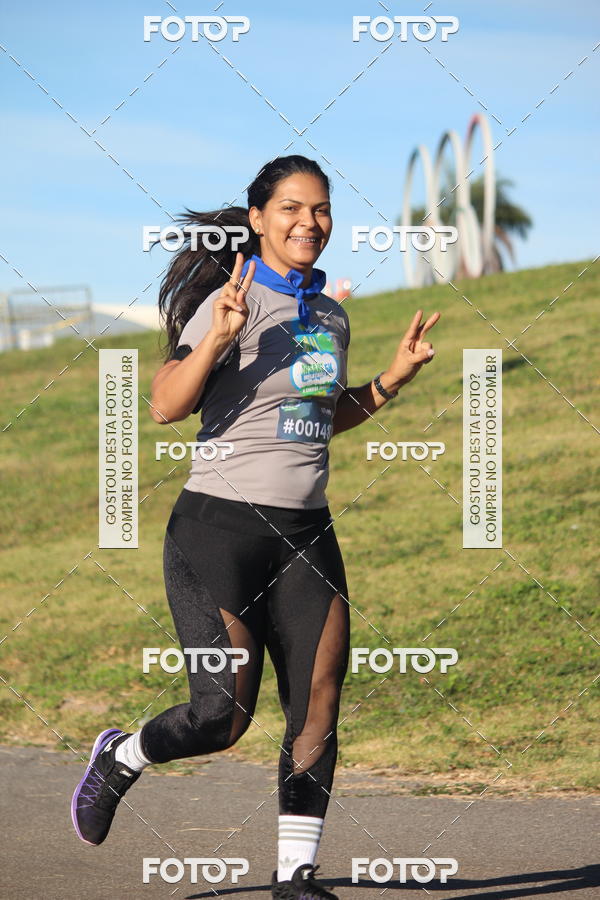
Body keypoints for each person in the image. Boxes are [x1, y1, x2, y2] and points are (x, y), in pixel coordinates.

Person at [71, 154, 439, 898]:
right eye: (292, 209)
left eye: (322, 209)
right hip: (218, 532)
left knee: (319, 700)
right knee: (222, 717)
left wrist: (388, 383)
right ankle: (123, 756)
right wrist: (216, 338)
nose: (310, 222)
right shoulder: (228, 302)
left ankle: (295, 876)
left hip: (306, 534)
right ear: (259, 219)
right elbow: (166, 406)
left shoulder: (330, 314)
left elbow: (313, 419)